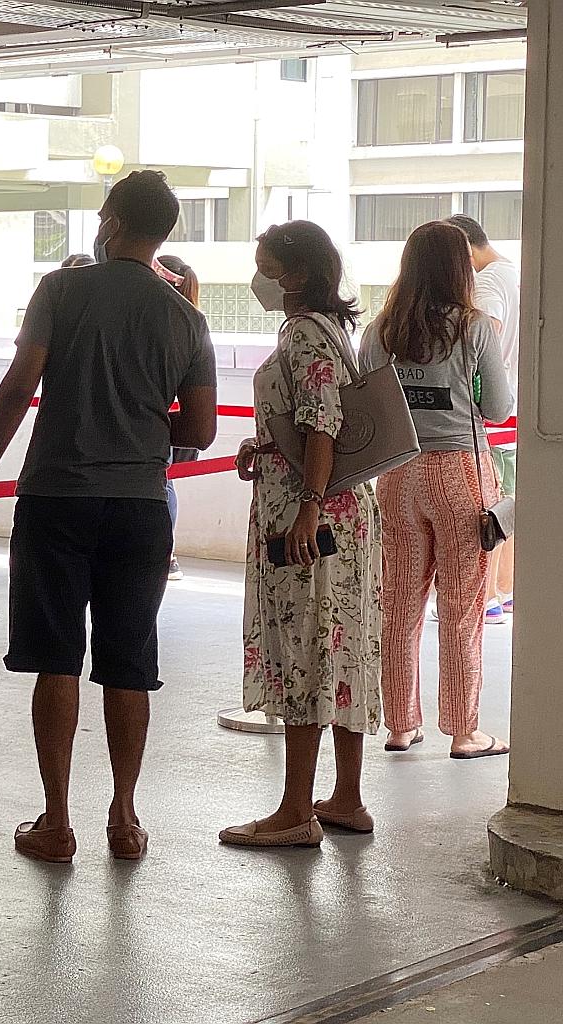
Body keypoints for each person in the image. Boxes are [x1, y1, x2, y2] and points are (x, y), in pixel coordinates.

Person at [0, 170, 217, 863]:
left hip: (56, 499)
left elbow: (19, 387)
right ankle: (125, 817)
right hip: (139, 507)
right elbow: (199, 426)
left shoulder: (61, 290)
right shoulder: (185, 317)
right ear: (163, 232)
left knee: (57, 659)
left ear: (108, 221)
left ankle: (55, 820)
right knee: (130, 661)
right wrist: (136, 428)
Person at [224, 221, 381, 848]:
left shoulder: (301, 333)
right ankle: (346, 796)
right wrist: (263, 444)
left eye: (267, 264)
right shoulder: (333, 331)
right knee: (339, 644)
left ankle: (294, 810)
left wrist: (308, 510)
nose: (259, 277)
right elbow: (310, 422)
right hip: (342, 511)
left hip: (310, 517)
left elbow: (323, 425)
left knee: (305, 646)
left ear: (294, 272)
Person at [361, 221, 513, 760]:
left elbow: (369, 408)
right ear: (459, 268)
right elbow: (498, 407)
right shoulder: (474, 328)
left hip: (398, 474)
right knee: (463, 605)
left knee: (399, 601)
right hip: (458, 476)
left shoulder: (379, 331)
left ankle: (401, 725)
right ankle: (464, 731)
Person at [448, 214, 519, 623]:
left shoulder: (488, 280)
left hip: (489, 418)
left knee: (487, 512)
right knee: (508, 505)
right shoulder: (511, 273)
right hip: (512, 413)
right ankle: (504, 591)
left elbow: (484, 336)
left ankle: (488, 596)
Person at [157, 253, 203, 581]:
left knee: (162, 485)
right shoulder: (192, 323)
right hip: (165, 424)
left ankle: (164, 552)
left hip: (152, 424)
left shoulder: (166, 324)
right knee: (166, 484)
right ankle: (166, 552)